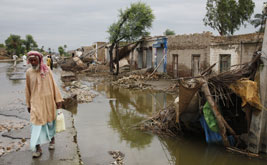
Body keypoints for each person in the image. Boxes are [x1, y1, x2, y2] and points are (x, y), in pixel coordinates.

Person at [25, 51, 63, 158]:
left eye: (34, 60)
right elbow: (27, 89)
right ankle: (38, 148)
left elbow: (54, 84)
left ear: (39, 60)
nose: (32, 62)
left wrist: (58, 99)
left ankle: (52, 139)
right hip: (35, 102)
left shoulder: (47, 70)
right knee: (35, 125)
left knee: (50, 122)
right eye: (31, 60)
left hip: (48, 100)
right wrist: (28, 104)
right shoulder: (28, 72)